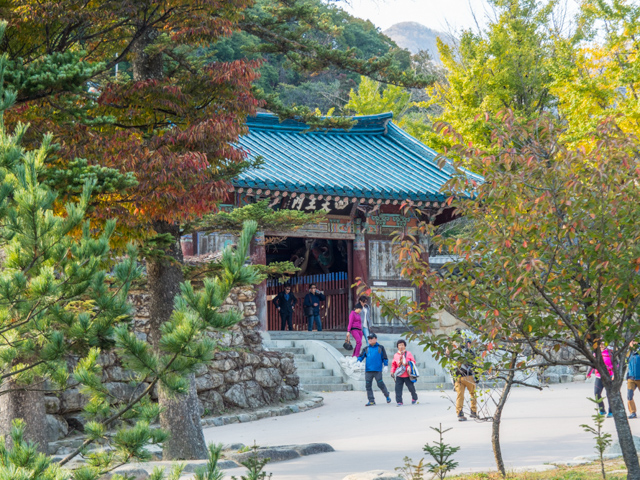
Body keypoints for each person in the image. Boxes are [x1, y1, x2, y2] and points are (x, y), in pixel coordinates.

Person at [448, 333, 478, 422]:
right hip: (463, 376)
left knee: (464, 395)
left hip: (463, 376)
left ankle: (466, 412)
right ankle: (468, 412)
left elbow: (474, 363)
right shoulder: (456, 352)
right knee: (467, 394)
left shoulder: (466, 352)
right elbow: (474, 364)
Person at [357, 333, 391, 406]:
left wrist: (385, 366)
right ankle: (371, 400)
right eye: (369, 338)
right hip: (368, 370)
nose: (370, 340)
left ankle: (387, 395)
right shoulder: (366, 349)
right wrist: (359, 361)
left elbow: (384, 357)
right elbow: (361, 356)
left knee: (380, 384)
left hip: (377, 370)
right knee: (368, 385)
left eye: (371, 338)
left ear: (376, 339)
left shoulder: (380, 348)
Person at [587, 340, 614, 417]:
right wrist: (588, 373)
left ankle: (611, 411)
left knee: (609, 394)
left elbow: (616, 364)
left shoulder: (610, 353)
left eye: (603, 344)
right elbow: (592, 363)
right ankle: (602, 410)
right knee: (596, 393)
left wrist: (614, 374)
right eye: (600, 344)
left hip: (609, 376)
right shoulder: (596, 354)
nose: (601, 346)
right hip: (599, 376)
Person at [391, 339, 418, 406]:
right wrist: (392, 371)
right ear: (397, 346)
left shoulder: (408, 353)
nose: (401, 346)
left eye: (402, 345)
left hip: (407, 374)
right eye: (399, 345)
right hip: (399, 375)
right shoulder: (396, 355)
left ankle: (414, 397)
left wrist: (408, 364)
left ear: (405, 346)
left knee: (411, 387)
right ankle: (399, 401)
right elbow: (394, 364)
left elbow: (413, 362)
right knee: (398, 389)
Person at [627, 341, 640, 419]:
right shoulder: (628, 352)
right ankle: (633, 412)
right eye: (631, 341)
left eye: (634, 341)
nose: (632, 343)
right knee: (629, 396)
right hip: (631, 378)